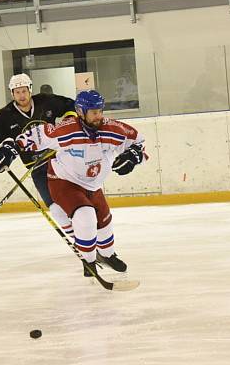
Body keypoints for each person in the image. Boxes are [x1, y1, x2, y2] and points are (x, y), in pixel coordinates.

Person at [10, 90, 146, 278]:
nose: (99, 116)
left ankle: (107, 255)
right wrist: (12, 147)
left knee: (104, 222)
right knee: (85, 216)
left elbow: (138, 142)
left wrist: (135, 156)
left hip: (92, 184)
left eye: (100, 111)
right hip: (64, 181)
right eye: (93, 112)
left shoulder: (111, 129)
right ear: (81, 112)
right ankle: (89, 262)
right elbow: (36, 135)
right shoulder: (67, 129)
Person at [0, 73, 77, 236]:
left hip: (60, 160)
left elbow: (71, 105)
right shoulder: (5, 115)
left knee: (74, 198)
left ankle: (86, 233)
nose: (21, 95)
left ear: (30, 89)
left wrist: (68, 120)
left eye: (24, 91)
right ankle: (77, 238)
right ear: (12, 93)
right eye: (17, 92)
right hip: (37, 167)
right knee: (53, 206)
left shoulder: (46, 101)